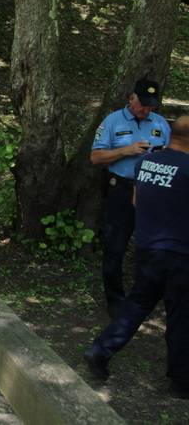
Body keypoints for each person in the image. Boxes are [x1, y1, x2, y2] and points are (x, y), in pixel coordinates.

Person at [83, 115, 189, 400]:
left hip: (148, 247)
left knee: (138, 302)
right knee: (181, 314)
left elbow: (135, 201)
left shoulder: (146, 162)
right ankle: (181, 381)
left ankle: (100, 350)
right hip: (180, 252)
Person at [90, 79, 171, 316]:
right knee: (115, 247)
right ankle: (115, 300)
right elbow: (95, 157)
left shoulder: (160, 123)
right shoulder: (112, 121)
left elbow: (171, 156)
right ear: (131, 98)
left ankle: (145, 297)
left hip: (152, 193)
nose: (146, 109)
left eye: (151, 105)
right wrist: (125, 150)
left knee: (153, 247)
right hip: (122, 191)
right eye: (143, 104)